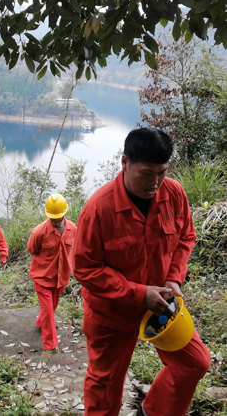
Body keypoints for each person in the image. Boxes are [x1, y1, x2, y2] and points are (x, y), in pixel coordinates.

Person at [73, 128, 209, 416]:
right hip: (112, 312)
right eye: (147, 173)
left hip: (163, 306)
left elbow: (186, 235)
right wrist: (137, 293)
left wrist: (174, 277)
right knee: (105, 384)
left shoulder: (173, 193)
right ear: (125, 162)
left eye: (162, 172)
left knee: (194, 363)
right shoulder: (99, 209)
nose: (155, 182)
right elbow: (86, 269)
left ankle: (153, 411)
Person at [26, 194, 77, 353]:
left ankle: (40, 322)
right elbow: (31, 249)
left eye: (59, 216)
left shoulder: (73, 229)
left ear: (64, 213)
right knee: (48, 312)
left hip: (61, 277)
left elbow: (74, 249)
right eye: (53, 217)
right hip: (42, 278)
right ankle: (50, 344)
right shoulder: (39, 232)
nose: (56, 220)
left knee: (52, 307)